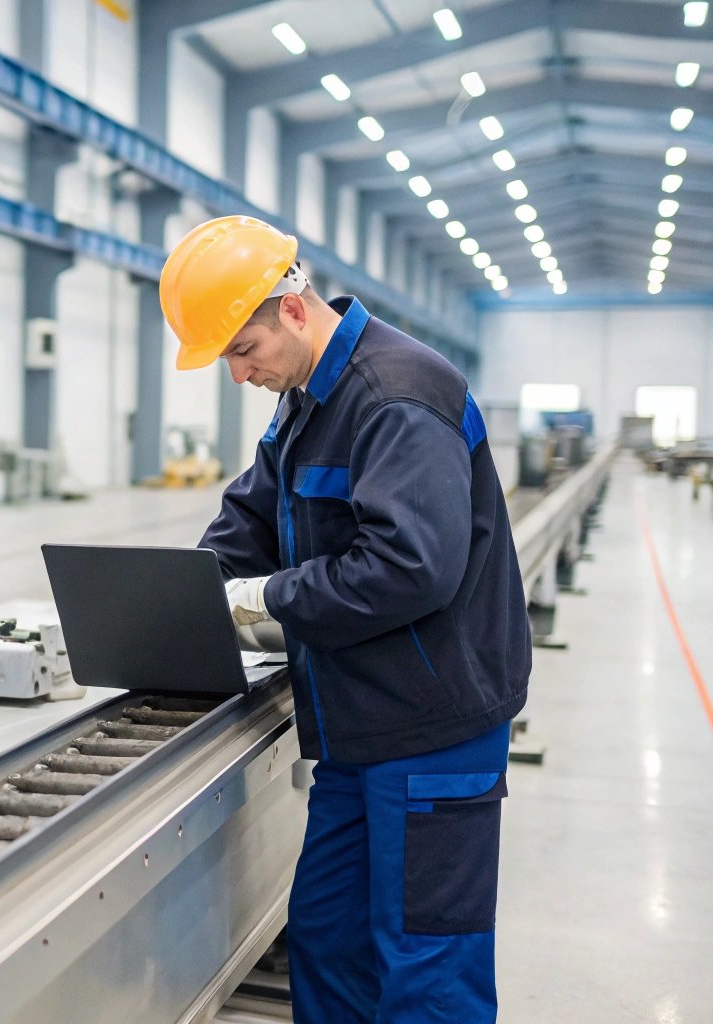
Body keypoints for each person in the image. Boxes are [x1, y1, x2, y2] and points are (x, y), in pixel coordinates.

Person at [158, 215, 530, 1023]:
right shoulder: (305, 401)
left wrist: (265, 600)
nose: (236, 375)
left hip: (432, 733)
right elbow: (245, 526)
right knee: (328, 941)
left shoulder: (397, 395)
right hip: (358, 729)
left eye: (241, 351)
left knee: (426, 965)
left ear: (292, 310)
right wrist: (177, 599)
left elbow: (410, 570)